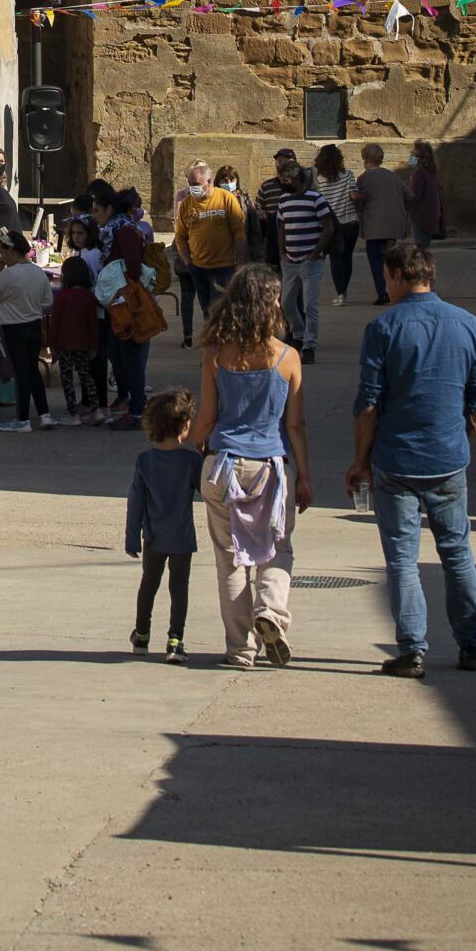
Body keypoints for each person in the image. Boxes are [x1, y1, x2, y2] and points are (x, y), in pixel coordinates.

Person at [347, 240, 476, 679]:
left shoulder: (383, 328)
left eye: (387, 279)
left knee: (401, 558)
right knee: (456, 552)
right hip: (448, 458)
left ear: (395, 276)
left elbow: (369, 404)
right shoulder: (468, 324)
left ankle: (412, 651)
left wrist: (361, 461)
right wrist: (461, 436)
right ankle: (473, 644)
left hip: (397, 460)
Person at [189, 267, 309, 668]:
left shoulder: (216, 353)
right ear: (269, 305)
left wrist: (195, 447)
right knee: (277, 549)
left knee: (229, 558)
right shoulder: (288, 358)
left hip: (222, 464)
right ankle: (270, 611)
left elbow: (206, 417)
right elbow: (294, 424)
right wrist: (304, 476)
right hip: (271, 469)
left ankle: (240, 648)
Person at [125, 389, 200, 663]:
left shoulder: (145, 461)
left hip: (154, 538)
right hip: (182, 538)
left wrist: (132, 538)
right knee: (179, 588)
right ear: (183, 426)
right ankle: (175, 639)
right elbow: (209, 490)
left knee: (149, 584)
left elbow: (136, 503)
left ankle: (142, 635)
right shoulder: (192, 461)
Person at [0, 228, 56, 433]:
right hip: (34, 325)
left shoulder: (8, 274)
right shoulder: (38, 272)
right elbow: (47, 301)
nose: (1, 256)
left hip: (13, 328)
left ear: (10, 251)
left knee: (21, 373)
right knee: (32, 370)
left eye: (2, 252)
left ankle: (23, 418)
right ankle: (44, 414)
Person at [175, 161, 247, 344]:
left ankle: (219, 347)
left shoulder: (225, 199)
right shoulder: (187, 205)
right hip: (198, 268)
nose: (193, 189)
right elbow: (180, 236)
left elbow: (238, 231)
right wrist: (187, 261)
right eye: (190, 184)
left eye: (197, 185)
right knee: (207, 309)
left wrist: (241, 261)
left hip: (223, 266)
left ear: (209, 182)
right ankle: (213, 348)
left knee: (218, 308)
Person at [104, 215, 165, 428]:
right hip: (127, 315)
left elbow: (133, 269)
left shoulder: (125, 236)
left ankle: (137, 410)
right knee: (123, 359)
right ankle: (135, 404)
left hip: (130, 315)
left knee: (131, 362)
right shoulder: (126, 235)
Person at [273, 162, 334, 363]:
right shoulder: (283, 201)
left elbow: (328, 228)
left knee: (310, 305)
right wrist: (282, 252)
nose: (284, 184)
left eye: (287, 180)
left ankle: (309, 345)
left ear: (298, 179)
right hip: (289, 261)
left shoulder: (315, 199)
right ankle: (298, 333)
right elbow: (281, 228)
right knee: (287, 303)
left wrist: (315, 253)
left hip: (310, 261)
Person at [50, 247, 106, 424]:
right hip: (83, 343)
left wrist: (53, 344)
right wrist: (94, 345)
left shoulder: (62, 296)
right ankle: (96, 410)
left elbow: (55, 322)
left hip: (64, 343)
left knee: (67, 379)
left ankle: (73, 413)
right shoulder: (89, 297)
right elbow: (92, 324)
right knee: (86, 377)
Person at [353, 145, 409, 303]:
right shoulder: (393, 177)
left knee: (376, 261)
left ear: (365, 158)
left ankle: (382, 292)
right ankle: (396, 290)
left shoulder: (363, 178)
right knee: (392, 261)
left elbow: (359, 201)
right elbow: (409, 196)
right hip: (393, 226)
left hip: (374, 227)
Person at [314, 144, 359, 309]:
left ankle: (340, 293)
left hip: (330, 224)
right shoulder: (348, 175)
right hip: (349, 222)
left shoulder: (317, 179)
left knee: (335, 259)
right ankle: (343, 289)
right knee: (347, 258)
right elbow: (354, 195)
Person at [406, 142, 446, 251]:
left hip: (421, 217)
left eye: (412, 155)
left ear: (418, 158)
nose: (410, 157)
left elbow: (414, 196)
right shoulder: (431, 172)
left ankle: (423, 268)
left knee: (420, 250)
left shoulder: (419, 173)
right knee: (424, 248)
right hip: (431, 216)